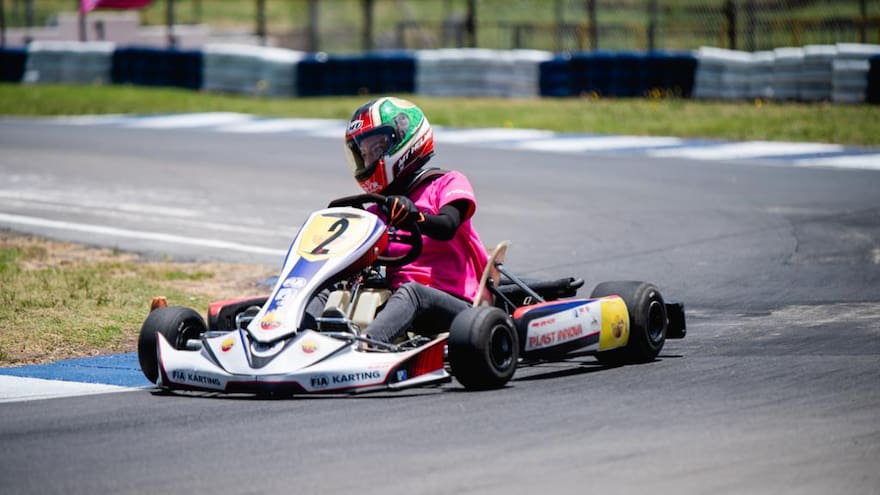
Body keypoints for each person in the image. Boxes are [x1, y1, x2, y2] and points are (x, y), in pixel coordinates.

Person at [335, 96, 489, 344]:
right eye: (364, 154)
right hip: (400, 304)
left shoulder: (447, 182)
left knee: (413, 292)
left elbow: (447, 226)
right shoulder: (378, 210)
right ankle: (295, 337)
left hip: (457, 306)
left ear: (405, 139)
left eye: (376, 149)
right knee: (332, 287)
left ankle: (365, 346)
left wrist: (413, 217)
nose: (369, 160)